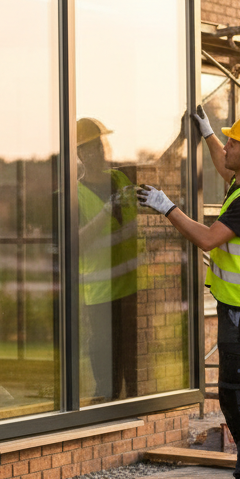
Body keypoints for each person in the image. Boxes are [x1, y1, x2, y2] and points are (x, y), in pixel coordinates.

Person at [137, 108, 240, 479]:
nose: (227, 146)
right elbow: (223, 164)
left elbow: (206, 238)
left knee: (236, 394)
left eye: (233, 142)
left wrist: (167, 206)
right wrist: (206, 134)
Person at [76, 117, 140, 401]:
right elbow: (77, 243)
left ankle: (129, 402)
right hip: (100, 290)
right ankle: (105, 401)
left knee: (131, 351)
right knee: (103, 350)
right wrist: (105, 212)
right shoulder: (76, 195)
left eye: (101, 144)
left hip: (131, 284)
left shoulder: (120, 180)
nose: (100, 150)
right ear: (80, 154)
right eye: (92, 147)